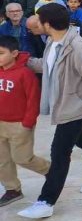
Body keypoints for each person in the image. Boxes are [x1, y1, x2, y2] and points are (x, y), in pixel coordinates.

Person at [17, 4, 82, 219]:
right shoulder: (53, 42)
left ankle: (46, 201)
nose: (37, 23)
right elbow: (49, 65)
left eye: (39, 19)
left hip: (75, 106)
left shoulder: (78, 47)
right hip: (64, 103)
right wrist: (25, 62)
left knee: (59, 152)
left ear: (48, 23)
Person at [0, 35, 50, 206]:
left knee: (22, 158)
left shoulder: (25, 73)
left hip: (19, 124)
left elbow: (32, 100)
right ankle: (12, 188)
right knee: (2, 159)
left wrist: (27, 122)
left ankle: (50, 170)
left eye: (1, 53)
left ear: (14, 53)